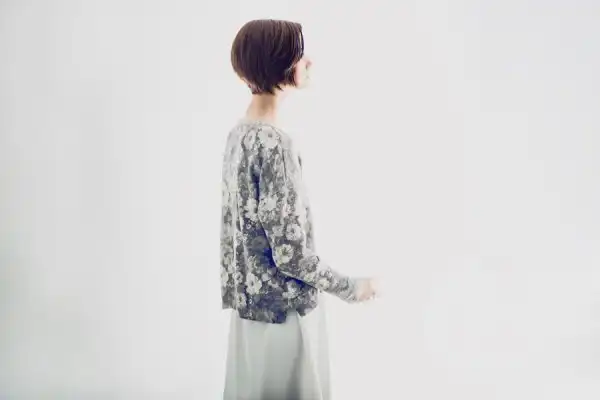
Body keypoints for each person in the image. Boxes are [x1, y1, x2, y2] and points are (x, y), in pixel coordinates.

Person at [220, 19, 379, 400]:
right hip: (286, 318)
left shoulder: (239, 135)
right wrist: (353, 288)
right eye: (299, 54)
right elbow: (291, 255)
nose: (309, 62)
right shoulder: (274, 145)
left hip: (249, 315)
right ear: (278, 64)